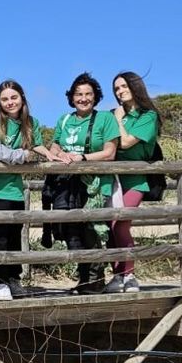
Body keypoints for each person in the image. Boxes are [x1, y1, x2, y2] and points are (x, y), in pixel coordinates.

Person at [0, 80, 49, 300]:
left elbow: (37, 146)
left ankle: (5, 281)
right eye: (4, 99)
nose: (10, 102)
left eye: (14, 97)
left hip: (12, 190)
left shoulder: (31, 122)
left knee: (7, 239)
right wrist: (22, 156)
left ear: (22, 97)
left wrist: (52, 155)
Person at [42, 73, 120, 294]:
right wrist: (59, 154)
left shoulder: (105, 118)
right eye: (78, 94)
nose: (83, 98)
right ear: (71, 97)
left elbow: (110, 152)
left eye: (88, 94)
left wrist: (83, 158)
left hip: (95, 185)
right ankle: (83, 279)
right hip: (66, 186)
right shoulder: (64, 120)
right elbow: (55, 144)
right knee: (70, 231)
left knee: (91, 232)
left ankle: (94, 281)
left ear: (96, 97)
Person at [108, 72, 162, 293]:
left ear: (135, 86)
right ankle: (117, 275)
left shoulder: (148, 116)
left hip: (136, 179)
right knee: (109, 225)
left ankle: (128, 275)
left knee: (120, 223)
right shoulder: (112, 114)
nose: (120, 91)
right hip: (112, 179)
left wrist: (119, 118)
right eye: (117, 88)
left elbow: (127, 142)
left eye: (123, 86)